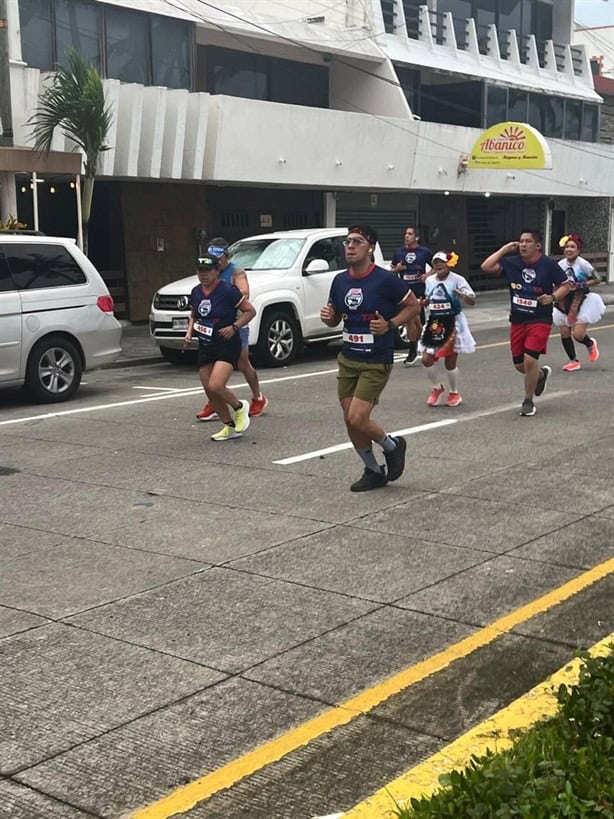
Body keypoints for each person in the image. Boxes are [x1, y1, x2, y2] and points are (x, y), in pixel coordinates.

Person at [320, 225, 420, 492]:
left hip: (376, 359)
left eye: (357, 242)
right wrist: (328, 317)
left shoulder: (386, 279)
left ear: (370, 247)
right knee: (349, 418)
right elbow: (335, 317)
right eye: (347, 242)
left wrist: (390, 324)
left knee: (357, 418)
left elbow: (413, 306)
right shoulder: (340, 280)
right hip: (348, 357)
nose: (350, 246)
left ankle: (392, 445)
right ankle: (373, 470)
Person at [481, 230, 570, 417]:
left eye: (527, 241)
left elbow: (565, 285)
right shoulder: (513, 263)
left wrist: (553, 297)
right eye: (520, 241)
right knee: (520, 365)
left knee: (530, 360)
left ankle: (528, 401)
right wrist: (506, 248)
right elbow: (486, 266)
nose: (522, 245)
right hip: (518, 319)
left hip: (540, 318)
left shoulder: (548, 265)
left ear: (537, 245)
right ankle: (540, 375)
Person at [184, 256, 256, 441]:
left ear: (217, 272)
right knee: (208, 388)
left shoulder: (227, 290)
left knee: (216, 385)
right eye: (200, 271)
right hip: (206, 343)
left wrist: (234, 327)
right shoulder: (196, 291)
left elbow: (250, 311)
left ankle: (239, 407)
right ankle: (228, 425)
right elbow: (194, 313)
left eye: (207, 271)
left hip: (226, 343)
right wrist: (189, 332)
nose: (203, 275)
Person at [196, 237, 268, 422]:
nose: (217, 261)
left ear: (227, 256)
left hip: (235, 322)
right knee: (212, 371)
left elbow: (245, 292)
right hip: (212, 326)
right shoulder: (208, 270)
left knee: (242, 363)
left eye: (219, 258)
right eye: (213, 257)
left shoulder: (236, 271)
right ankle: (216, 399)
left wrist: (227, 292)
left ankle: (257, 397)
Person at [419, 251, 476, 408]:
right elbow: (430, 299)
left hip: (453, 323)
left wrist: (462, 295)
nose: (438, 265)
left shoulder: (458, 280)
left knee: (449, 362)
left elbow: (472, 300)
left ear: (449, 263)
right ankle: (437, 388)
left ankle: (454, 392)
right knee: (426, 359)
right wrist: (424, 303)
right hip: (435, 323)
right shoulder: (429, 280)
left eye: (441, 262)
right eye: (435, 262)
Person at [554, 233, 605, 371]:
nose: (569, 249)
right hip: (564, 301)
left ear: (578, 250)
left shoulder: (584, 264)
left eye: (572, 247)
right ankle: (573, 361)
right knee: (564, 331)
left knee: (578, 335)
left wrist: (581, 284)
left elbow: (598, 279)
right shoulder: (560, 265)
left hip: (581, 300)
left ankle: (589, 343)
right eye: (567, 247)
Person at [390, 226, 432, 366]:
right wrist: (397, 269)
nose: (406, 236)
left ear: (417, 237)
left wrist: (427, 275)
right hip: (405, 291)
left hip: (419, 290)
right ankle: (414, 349)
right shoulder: (399, 252)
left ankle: (421, 346)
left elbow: (436, 267)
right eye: (405, 234)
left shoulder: (424, 252)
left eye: (410, 234)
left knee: (417, 322)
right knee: (411, 320)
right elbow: (392, 268)